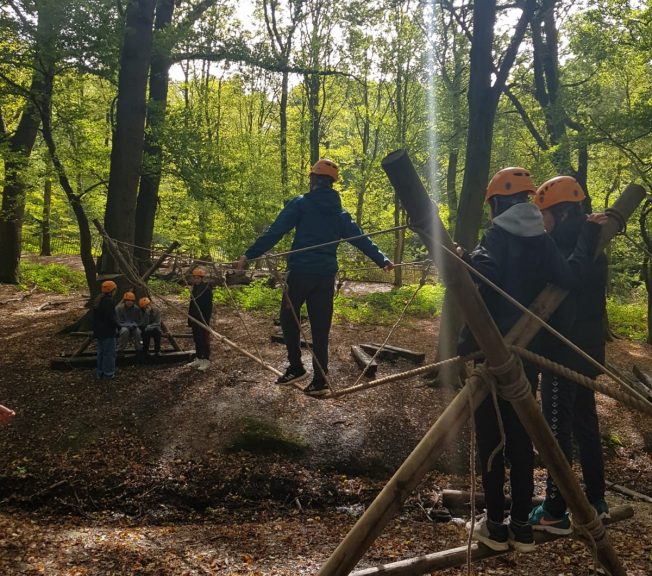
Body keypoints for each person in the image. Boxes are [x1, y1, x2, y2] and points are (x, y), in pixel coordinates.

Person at [459, 167, 596, 554]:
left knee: (491, 439)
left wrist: (465, 261)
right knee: (519, 438)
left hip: (493, 353)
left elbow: (483, 279)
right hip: (526, 355)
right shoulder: (543, 239)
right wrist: (589, 237)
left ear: (498, 203)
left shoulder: (497, 236)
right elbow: (568, 278)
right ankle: (521, 527)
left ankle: (496, 528)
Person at [237, 159, 394, 397]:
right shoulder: (340, 214)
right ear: (332, 184)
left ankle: (296, 367)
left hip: (300, 274)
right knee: (321, 329)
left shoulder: (302, 203)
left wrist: (249, 254)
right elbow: (361, 239)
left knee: (288, 319)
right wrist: (382, 259)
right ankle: (320, 379)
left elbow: (275, 231)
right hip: (324, 278)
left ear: (313, 179)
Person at [529, 176, 609, 534]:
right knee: (585, 425)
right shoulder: (590, 241)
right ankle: (596, 499)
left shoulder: (566, 247)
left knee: (557, 430)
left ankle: (556, 509)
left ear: (560, 214)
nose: (541, 220)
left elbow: (570, 280)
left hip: (564, 351)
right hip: (586, 351)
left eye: (545, 213)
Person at [187, 267, 213, 371]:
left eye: (198, 278)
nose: (196, 280)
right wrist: (189, 318)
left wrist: (205, 321)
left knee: (203, 339)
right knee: (196, 338)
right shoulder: (194, 288)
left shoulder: (206, 289)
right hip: (194, 317)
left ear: (202, 278)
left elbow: (208, 307)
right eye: (195, 278)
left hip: (203, 318)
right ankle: (198, 357)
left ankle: (205, 360)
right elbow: (191, 304)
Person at [93, 280, 119, 379]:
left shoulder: (98, 300)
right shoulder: (108, 301)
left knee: (101, 352)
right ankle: (108, 373)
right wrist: (118, 326)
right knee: (109, 353)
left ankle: (100, 372)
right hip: (107, 331)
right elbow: (111, 318)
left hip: (99, 331)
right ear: (113, 290)